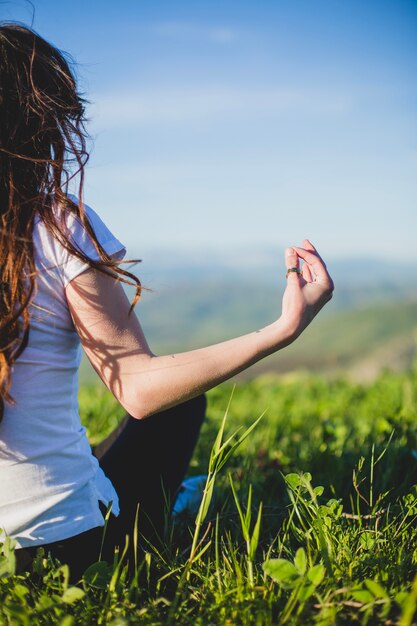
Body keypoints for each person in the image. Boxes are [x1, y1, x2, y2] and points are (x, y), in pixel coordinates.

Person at [0, 23, 334, 582]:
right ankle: (167, 508)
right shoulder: (57, 226)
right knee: (178, 407)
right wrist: (281, 329)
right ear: (41, 123)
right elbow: (139, 389)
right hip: (67, 554)